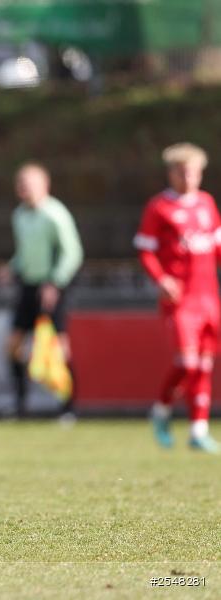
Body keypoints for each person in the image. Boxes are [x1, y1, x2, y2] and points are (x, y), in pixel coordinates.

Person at [135, 143, 220, 452]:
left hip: (208, 296)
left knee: (206, 364)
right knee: (187, 361)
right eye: (183, 173)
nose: (189, 179)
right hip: (181, 300)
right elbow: (145, 250)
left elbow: (216, 247)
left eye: (194, 173)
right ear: (171, 173)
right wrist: (162, 278)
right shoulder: (159, 207)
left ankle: (198, 430)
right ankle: (160, 410)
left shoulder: (207, 204)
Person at [0, 162, 83, 419]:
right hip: (29, 286)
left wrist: (55, 283)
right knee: (13, 346)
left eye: (29, 183)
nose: (23, 188)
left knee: (60, 348)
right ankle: (20, 405)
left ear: (44, 185)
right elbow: (25, 254)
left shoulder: (55, 214)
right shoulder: (20, 215)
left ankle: (68, 409)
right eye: (20, 183)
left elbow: (72, 253)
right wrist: (12, 268)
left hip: (52, 287)